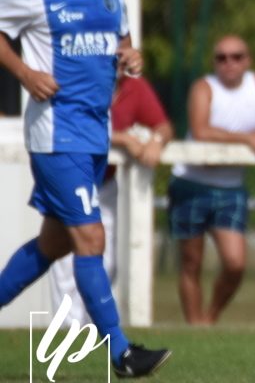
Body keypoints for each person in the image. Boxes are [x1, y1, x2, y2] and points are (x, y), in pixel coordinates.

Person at [0, 0, 171, 377]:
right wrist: (25, 73)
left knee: (54, 244)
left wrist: (130, 57)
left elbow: (121, 44)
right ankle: (120, 352)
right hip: (57, 136)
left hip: (94, 134)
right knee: (91, 237)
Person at [167, 34, 255, 325]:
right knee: (191, 263)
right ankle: (194, 327)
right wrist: (248, 139)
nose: (229, 63)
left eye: (237, 56)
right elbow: (201, 131)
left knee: (235, 263)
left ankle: (209, 319)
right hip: (191, 182)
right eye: (221, 57)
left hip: (231, 187)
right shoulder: (204, 88)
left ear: (248, 60)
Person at [49, 66, 173, 325]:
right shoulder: (73, 80)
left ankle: (90, 331)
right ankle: (68, 334)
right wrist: (123, 139)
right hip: (69, 180)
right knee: (64, 266)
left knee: (107, 262)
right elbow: (69, 126)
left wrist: (156, 140)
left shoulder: (132, 87)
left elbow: (163, 125)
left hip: (103, 186)